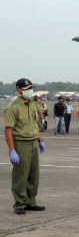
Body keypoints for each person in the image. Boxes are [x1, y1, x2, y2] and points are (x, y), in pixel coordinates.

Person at [4, 78, 46, 215]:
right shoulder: (13, 107)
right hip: (21, 143)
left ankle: (31, 202)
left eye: (30, 88)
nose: (29, 91)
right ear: (18, 90)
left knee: (34, 175)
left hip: (34, 142)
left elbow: (35, 125)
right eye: (26, 89)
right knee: (21, 175)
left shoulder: (33, 105)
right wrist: (12, 150)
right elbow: (8, 130)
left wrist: (40, 140)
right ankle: (19, 203)